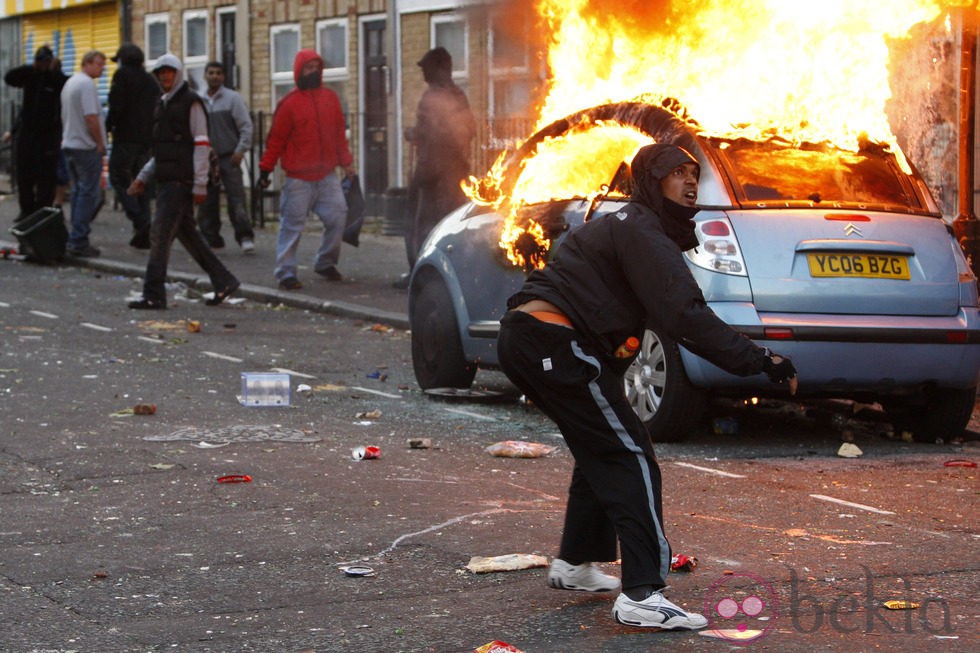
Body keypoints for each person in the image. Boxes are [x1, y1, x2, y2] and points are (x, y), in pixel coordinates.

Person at [495, 143, 798, 630]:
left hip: (534, 340)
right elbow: (685, 316)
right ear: (651, 181)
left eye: (693, 173)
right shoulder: (643, 230)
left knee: (604, 442)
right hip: (555, 342)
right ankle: (642, 594)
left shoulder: (627, 223)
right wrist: (759, 360)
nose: (690, 181)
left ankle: (575, 564)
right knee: (629, 453)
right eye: (676, 173)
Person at [126, 53, 239, 310]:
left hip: (180, 181)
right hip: (167, 179)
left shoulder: (191, 103)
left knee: (159, 235)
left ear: (178, 73)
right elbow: (162, 150)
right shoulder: (163, 103)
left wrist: (200, 183)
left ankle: (154, 293)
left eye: (169, 72)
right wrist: (143, 177)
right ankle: (224, 280)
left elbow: (201, 144)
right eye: (160, 73)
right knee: (188, 234)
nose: (165, 77)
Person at [257, 49, 355, 289]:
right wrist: (265, 170)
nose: (313, 71)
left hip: (327, 175)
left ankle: (325, 261)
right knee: (292, 226)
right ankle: (285, 271)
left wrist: (347, 163)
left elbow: (338, 135)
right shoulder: (288, 104)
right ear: (299, 71)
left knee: (338, 216)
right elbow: (276, 141)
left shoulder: (331, 99)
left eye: (316, 67)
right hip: (298, 178)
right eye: (308, 67)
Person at [395, 46, 476, 288]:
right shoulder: (459, 96)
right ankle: (450, 274)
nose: (423, 74)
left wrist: (414, 134)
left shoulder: (432, 98)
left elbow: (431, 132)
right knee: (451, 225)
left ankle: (419, 274)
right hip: (456, 173)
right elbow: (469, 129)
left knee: (419, 224)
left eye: (426, 68)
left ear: (439, 68)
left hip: (431, 173)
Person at [196, 61, 255, 254]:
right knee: (207, 200)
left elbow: (246, 126)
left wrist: (240, 150)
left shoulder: (232, 99)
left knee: (236, 198)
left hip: (229, 156)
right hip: (207, 158)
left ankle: (245, 236)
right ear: (205, 75)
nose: (214, 76)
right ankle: (211, 238)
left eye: (218, 73)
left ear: (223, 77)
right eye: (211, 73)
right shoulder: (198, 100)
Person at [3, 45, 68, 219]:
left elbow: (64, 84)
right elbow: (10, 77)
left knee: (46, 177)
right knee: (25, 176)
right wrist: (32, 68)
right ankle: (27, 209)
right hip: (28, 134)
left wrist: (52, 70)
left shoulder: (56, 80)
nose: (42, 65)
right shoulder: (30, 77)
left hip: (48, 136)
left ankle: (42, 211)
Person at [105, 43, 160, 250]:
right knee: (142, 181)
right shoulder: (150, 81)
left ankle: (138, 219)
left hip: (126, 137)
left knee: (118, 176)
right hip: (146, 139)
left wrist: (108, 125)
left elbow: (116, 105)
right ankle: (143, 231)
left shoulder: (122, 77)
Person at [61, 50, 108, 258]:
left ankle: (74, 237)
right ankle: (79, 239)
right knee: (89, 193)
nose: (103, 68)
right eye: (99, 64)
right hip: (85, 146)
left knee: (79, 193)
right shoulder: (87, 85)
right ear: (87, 63)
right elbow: (91, 118)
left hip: (70, 143)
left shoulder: (70, 82)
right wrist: (100, 144)